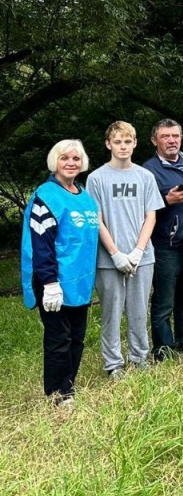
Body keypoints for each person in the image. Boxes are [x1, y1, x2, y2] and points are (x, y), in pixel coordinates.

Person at [21, 140, 101, 406]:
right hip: (54, 280)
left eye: (76, 158)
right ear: (55, 161)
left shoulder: (84, 195)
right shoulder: (46, 196)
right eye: (64, 158)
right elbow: (41, 243)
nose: (70, 163)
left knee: (77, 337)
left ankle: (69, 385)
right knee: (59, 338)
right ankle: (57, 393)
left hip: (80, 281)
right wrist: (50, 283)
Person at [86, 121, 164, 378]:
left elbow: (150, 216)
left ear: (135, 144)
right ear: (108, 144)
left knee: (139, 310)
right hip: (109, 259)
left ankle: (140, 358)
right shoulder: (96, 178)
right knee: (111, 312)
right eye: (117, 142)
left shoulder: (145, 176)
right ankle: (113, 364)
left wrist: (138, 251)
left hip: (142, 257)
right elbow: (96, 219)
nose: (123, 146)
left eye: (127, 141)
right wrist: (116, 253)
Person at [142, 119, 183, 359]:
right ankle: (164, 350)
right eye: (165, 136)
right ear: (154, 141)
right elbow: (140, 209)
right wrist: (166, 201)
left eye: (175, 136)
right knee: (164, 301)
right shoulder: (148, 170)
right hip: (165, 245)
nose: (171, 140)